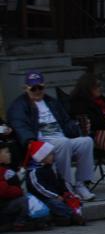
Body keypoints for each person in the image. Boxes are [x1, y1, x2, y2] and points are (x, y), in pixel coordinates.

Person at [7, 71, 96, 201]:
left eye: (40, 87)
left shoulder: (51, 102)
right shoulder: (19, 105)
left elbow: (66, 122)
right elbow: (19, 125)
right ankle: (66, 186)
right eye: (33, 88)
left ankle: (81, 184)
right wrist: (30, 141)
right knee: (64, 143)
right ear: (25, 88)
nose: (37, 91)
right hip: (41, 143)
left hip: (61, 138)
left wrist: (77, 128)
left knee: (86, 141)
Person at [23, 140, 86, 226]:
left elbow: (61, 182)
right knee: (54, 204)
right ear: (42, 157)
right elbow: (40, 188)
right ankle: (73, 216)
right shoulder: (33, 172)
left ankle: (65, 218)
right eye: (49, 155)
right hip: (43, 198)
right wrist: (55, 196)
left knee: (73, 199)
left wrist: (68, 193)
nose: (52, 156)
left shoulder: (52, 168)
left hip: (57, 195)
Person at [0, 142, 35, 232]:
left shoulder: (7, 171)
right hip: (3, 205)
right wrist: (17, 190)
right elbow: (5, 190)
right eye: (6, 152)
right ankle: (19, 223)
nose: (10, 154)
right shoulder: (5, 172)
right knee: (23, 200)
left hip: (5, 204)